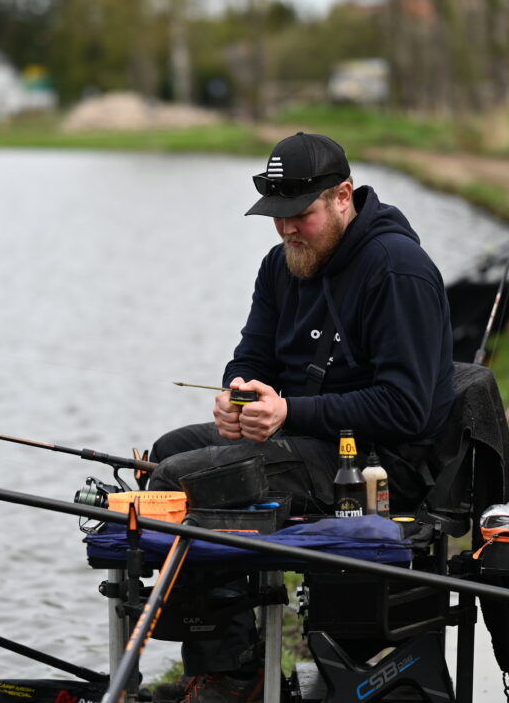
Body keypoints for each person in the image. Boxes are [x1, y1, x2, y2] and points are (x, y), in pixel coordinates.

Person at [147, 132, 456, 703]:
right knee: (167, 453)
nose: (287, 229)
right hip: (303, 439)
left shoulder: (397, 271)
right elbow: (251, 358)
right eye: (277, 215)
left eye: (300, 214)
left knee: (182, 480)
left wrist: (289, 410)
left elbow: (406, 409)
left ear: (342, 197)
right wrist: (238, 397)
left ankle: (233, 677)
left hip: (378, 463)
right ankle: (240, 657)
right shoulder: (280, 265)